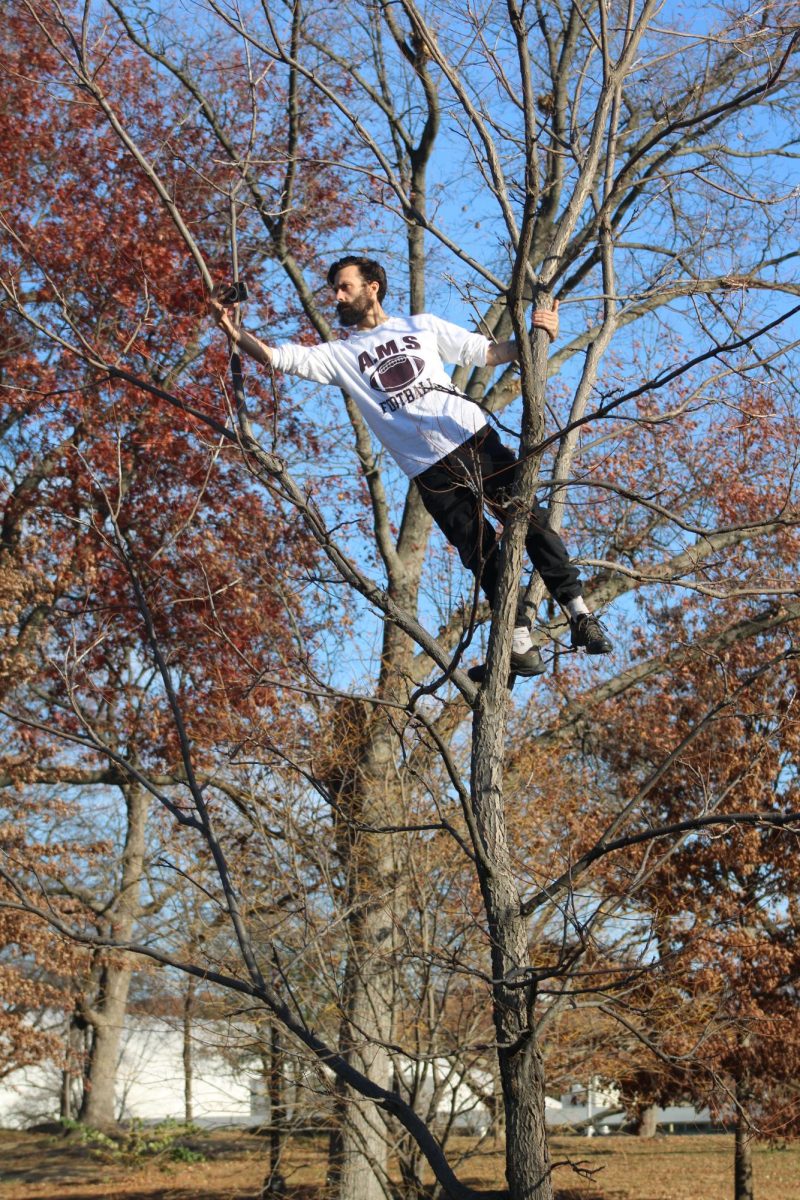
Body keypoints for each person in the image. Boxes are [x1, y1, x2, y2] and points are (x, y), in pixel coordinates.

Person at [210, 255, 612, 675]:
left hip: (471, 438)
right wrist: (229, 327)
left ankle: (580, 615)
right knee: (479, 551)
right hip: (428, 470)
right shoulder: (340, 355)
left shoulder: (419, 326)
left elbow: (488, 353)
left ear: (373, 288)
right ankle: (520, 643)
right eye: (334, 289)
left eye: (344, 286)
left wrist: (536, 334)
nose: (337, 296)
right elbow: (278, 358)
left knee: (529, 518)